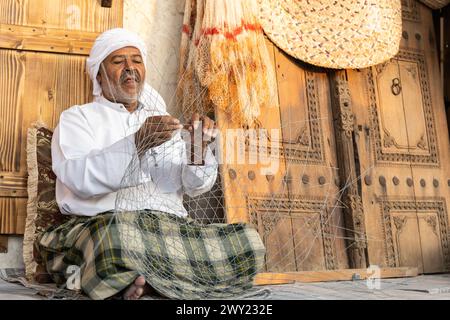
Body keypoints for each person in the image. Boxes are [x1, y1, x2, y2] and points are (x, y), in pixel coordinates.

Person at [35, 28, 265, 300]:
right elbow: (77, 178)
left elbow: (193, 185)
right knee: (116, 240)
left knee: (246, 241)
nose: (130, 69)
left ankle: (139, 281)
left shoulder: (162, 120)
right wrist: (136, 142)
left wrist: (198, 148)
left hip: (167, 230)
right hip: (106, 224)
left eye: (137, 61)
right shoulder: (79, 118)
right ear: (99, 74)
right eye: (118, 62)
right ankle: (161, 280)